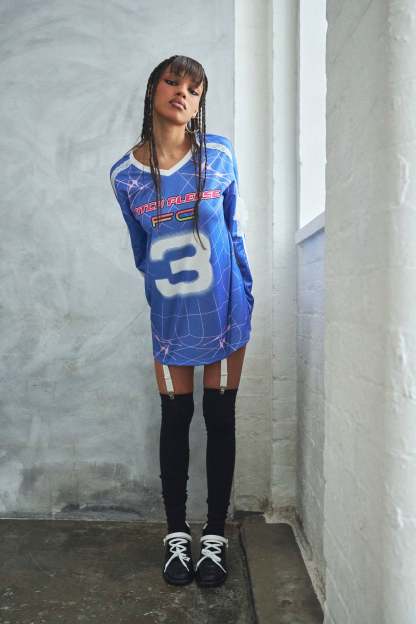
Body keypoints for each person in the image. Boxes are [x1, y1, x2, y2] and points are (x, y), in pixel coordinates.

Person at [109, 55, 254, 588]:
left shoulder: (219, 154)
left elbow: (232, 229)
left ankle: (213, 536)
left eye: (194, 90)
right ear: (153, 89)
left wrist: (245, 291)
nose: (182, 93)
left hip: (226, 309)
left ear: (199, 105)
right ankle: (176, 535)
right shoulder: (125, 175)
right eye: (173, 82)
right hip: (171, 315)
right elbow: (141, 251)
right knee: (175, 419)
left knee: (219, 418)